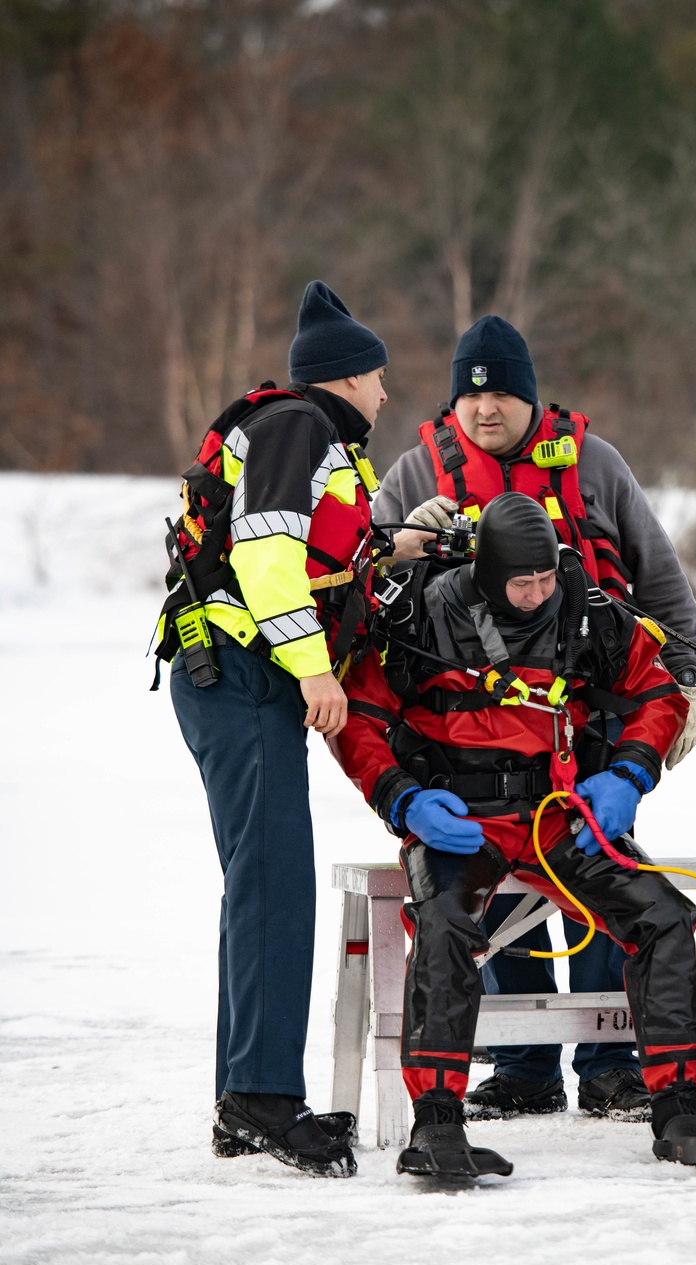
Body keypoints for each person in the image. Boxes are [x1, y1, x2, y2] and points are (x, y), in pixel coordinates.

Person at [330, 492, 696, 1178]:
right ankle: (437, 1122)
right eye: (520, 582)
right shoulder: (417, 617)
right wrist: (400, 796)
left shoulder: (586, 611)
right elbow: (357, 717)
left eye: (544, 580)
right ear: (486, 570)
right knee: (444, 926)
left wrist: (629, 773)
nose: (536, 595)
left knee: (664, 917)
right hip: (457, 819)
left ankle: (679, 1111)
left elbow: (657, 690)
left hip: (559, 814)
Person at [375, 314, 696, 1123]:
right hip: (469, 723)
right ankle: (524, 1066)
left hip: (592, 701)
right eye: (471, 396)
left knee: (594, 868)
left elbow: (657, 573)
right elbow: (364, 579)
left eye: (501, 394)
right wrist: (401, 549)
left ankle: (610, 1062)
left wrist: (681, 683)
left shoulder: (594, 463)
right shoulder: (419, 471)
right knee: (493, 879)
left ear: (528, 395)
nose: (485, 410)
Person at [165, 280, 389, 1176]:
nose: (384, 396)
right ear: (352, 375)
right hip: (245, 674)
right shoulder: (301, 425)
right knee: (273, 886)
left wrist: (401, 543)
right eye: (380, 380)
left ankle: (242, 1097)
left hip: (230, 671)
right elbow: (265, 552)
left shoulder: (293, 431)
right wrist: (316, 668)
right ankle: (261, 1097)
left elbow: (303, 547)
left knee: (261, 885)